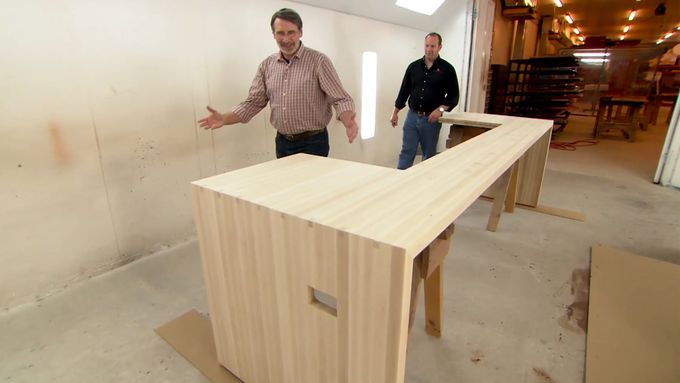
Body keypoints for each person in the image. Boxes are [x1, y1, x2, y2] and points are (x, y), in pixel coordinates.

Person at [198, 8, 359, 158]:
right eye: (280, 33)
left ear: (301, 32)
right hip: (283, 142)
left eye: (291, 32)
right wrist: (224, 119)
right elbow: (253, 103)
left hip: (314, 142)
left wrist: (348, 121)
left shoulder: (319, 61)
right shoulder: (266, 65)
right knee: (285, 188)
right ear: (273, 34)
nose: (286, 39)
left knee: (310, 188)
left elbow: (340, 99)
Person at [390, 32, 459, 170]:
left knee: (428, 156)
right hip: (412, 117)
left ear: (440, 47)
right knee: (406, 151)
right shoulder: (413, 67)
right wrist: (395, 113)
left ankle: (425, 185)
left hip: (431, 120)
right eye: (427, 45)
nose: (429, 49)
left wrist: (440, 110)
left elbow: (453, 96)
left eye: (433, 46)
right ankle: (399, 181)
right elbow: (404, 91)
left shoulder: (447, 69)